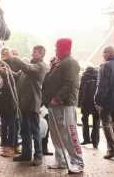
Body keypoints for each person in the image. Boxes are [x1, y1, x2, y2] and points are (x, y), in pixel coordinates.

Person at [42, 38, 84, 174]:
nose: (55, 50)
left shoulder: (70, 63)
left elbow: (71, 83)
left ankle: (78, 162)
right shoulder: (60, 63)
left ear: (64, 48)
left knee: (69, 134)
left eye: (57, 47)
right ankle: (60, 160)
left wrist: (58, 97)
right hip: (54, 105)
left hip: (64, 104)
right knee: (56, 134)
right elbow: (49, 80)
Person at [11, 45, 48, 166]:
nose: (33, 53)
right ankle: (26, 154)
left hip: (33, 104)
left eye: (36, 52)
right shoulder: (30, 66)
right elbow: (17, 75)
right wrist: (7, 71)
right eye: (33, 51)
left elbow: (27, 68)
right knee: (24, 130)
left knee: (35, 130)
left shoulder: (40, 66)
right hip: (24, 104)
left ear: (42, 55)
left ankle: (38, 156)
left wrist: (15, 59)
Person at [78, 67, 100, 148]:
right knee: (96, 122)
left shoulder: (84, 77)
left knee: (85, 121)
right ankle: (95, 141)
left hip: (85, 102)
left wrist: (79, 103)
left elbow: (81, 90)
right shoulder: (98, 76)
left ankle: (86, 139)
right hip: (96, 103)